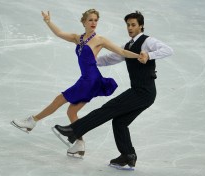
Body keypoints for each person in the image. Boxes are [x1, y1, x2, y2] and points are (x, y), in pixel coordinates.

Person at [11, 9, 142, 157]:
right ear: (84, 22)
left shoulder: (100, 39)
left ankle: (32, 121)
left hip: (91, 79)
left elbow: (122, 52)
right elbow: (59, 33)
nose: (93, 23)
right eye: (91, 20)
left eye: (96, 20)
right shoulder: (77, 38)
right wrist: (48, 21)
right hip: (86, 79)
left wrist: (140, 56)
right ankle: (79, 145)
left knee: (59, 99)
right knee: (71, 111)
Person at [53, 11, 173, 169]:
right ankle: (128, 155)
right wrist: (92, 61)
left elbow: (169, 50)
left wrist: (149, 55)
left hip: (144, 92)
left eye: (133, 25)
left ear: (141, 26)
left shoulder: (148, 41)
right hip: (141, 92)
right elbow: (111, 58)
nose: (130, 28)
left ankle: (74, 131)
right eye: (128, 25)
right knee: (120, 122)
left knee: (109, 108)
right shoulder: (128, 46)